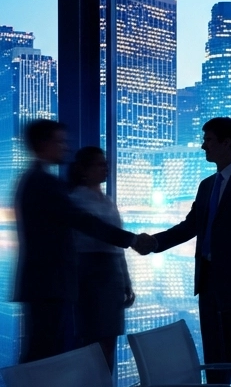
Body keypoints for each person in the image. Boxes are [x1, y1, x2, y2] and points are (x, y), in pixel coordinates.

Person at [135, 118, 231, 380]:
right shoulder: (207, 185)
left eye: (208, 140)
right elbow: (190, 226)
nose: (202, 146)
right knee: (214, 354)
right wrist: (156, 242)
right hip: (207, 282)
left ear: (226, 142)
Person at [13, 120, 138, 363]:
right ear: (43, 144)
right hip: (48, 283)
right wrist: (131, 239)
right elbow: (83, 221)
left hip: (46, 282)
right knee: (44, 354)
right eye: (60, 142)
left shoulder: (35, 181)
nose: (65, 148)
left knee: (44, 349)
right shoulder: (43, 183)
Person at [68, 147, 135, 372]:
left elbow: (118, 245)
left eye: (105, 163)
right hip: (90, 275)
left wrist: (126, 281)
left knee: (110, 337)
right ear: (85, 170)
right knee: (91, 338)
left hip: (112, 275)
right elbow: (100, 234)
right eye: (100, 164)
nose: (105, 168)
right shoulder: (76, 199)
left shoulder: (108, 201)